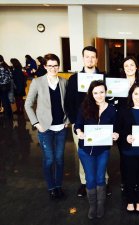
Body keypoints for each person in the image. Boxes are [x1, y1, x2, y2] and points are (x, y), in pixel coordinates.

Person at [65, 46, 111, 197]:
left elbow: (110, 99)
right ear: (83, 58)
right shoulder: (74, 79)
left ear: (97, 59)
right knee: (84, 154)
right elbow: (68, 103)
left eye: (93, 57)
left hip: (101, 125)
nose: (90, 59)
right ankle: (85, 183)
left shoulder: (105, 78)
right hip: (81, 126)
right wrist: (75, 124)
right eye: (87, 56)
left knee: (102, 153)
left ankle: (103, 182)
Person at [24, 53, 69, 200]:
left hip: (61, 128)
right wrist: (36, 124)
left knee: (60, 159)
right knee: (49, 159)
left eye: (56, 65)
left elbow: (68, 104)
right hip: (45, 129)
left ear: (59, 66)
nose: (53, 68)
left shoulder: (64, 82)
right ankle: (51, 187)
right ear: (44, 66)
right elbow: (28, 104)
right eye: (50, 65)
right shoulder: (37, 82)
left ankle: (58, 186)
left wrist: (67, 120)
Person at [74, 80, 119, 219]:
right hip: (85, 150)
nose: (99, 95)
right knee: (90, 178)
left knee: (100, 178)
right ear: (91, 94)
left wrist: (116, 134)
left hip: (103, 150)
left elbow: (116, 127)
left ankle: (101, 205)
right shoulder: (85, 106)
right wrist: (79, 132)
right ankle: (93, 206)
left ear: (106, 92)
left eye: (101, 92)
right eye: (95, 93)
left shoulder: (111, 109)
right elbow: (78, 125)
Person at [115, 83, 139, 213]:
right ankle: (130, 200)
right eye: (136, 94)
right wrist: (125, 137)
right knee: (129, 177)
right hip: (128, 151)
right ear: (131, 94)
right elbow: (117, 130)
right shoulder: (123, 110)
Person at [116, 56, 139, 191]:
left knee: (138, 154)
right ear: (123, 68)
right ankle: (125, 182)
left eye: (132, 65)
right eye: (126, 65)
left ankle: (137, 182)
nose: (129, 68)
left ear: (136, 67)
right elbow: (112, 102)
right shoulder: (117, 84)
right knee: (124, 154)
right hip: (122, 123)